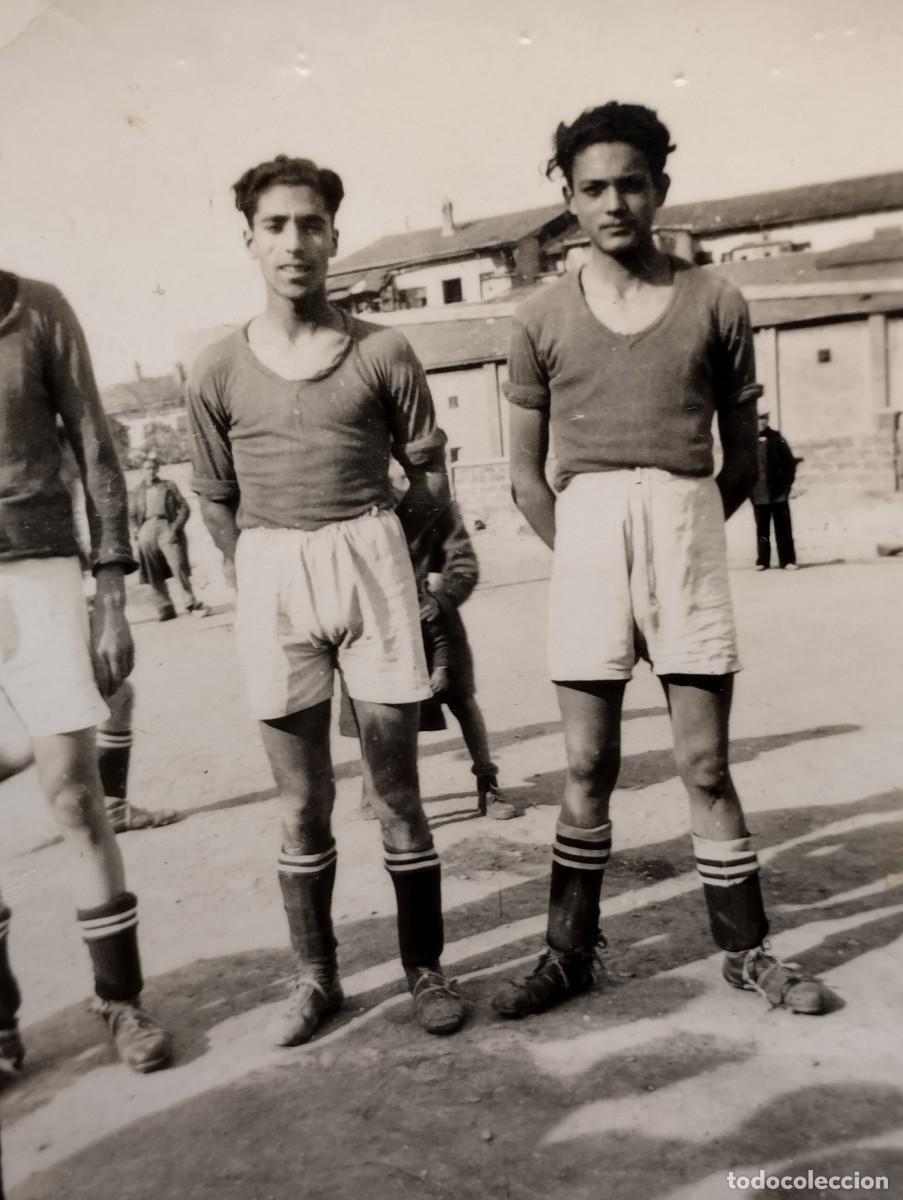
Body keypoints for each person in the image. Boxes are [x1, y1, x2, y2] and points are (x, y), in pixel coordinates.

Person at [491, 103, 829, 1020]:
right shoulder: (539, 317)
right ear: (566, 198)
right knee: (586, 768)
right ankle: (568, 952)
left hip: (684, 528)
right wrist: (591, 558)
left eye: (630, 183)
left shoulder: (716, 299)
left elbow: (741, 460)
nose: (613, 202)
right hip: (588, 533)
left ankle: (747, 950)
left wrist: (682, 533)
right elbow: (525, 480)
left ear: (661, 189)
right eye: (592, 187)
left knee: (706, 765)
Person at [187, 155, 467, 1043]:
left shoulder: (384, 349)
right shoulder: (216, 367)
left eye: (310, 224)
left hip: (369, 558)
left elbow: (427, 473)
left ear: (335, 236)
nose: (294, 242)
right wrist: (256, 567)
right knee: (301, 805)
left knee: (396, 795)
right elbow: (215, 496)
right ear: (248, 242)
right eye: (275, 226)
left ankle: (424, 969)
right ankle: (318, 979)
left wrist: (403, 555)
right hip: (275, 573)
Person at [0, 268, 172, 1074]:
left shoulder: (38, 308)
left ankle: (120, 998)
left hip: (36, 569)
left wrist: (110, 588)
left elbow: (94, 442)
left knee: (73, 791)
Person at [341, 497, 517, 821]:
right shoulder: (351, 506)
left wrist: (441, 600)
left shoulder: (434, 506)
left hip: (434, 623)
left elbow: (463, 566)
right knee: (369, 709)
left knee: (462, 701)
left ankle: (487, 785)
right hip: (376, 626)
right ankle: (375, 787)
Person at [129, 454, 210, 620]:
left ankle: (190, 603)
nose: (150, 472)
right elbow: (131, 515)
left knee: (177, 565)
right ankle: (165, 606)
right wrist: (136, 530)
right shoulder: (136, 491)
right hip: (146, 528)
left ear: (158, 469)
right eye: (146, 469)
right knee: (152, 569)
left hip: (166, 525)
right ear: (141, 471)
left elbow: (185, 508)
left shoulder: (168, 486)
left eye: (153, 468)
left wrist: (175, 528)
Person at [753, 411, 800, 570]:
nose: (762, 422)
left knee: (783, 527)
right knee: (762, 528)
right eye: (759, 418)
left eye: (765, 418)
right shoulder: (747, 439)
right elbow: (743, 466)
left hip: (778, 492)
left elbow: (790, 463)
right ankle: (762, 561)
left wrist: (786, 486)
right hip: (759, 492)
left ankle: (787, 560)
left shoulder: (776, 437)